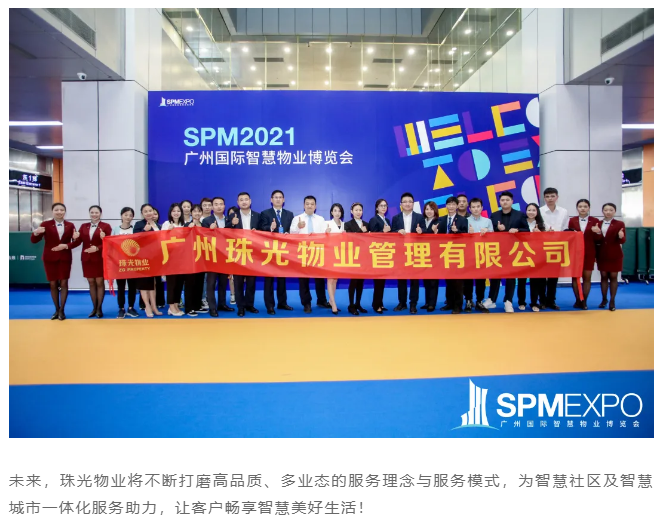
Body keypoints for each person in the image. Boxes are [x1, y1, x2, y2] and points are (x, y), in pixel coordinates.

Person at [30, 202, 77, 320]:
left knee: (64, 283)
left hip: (65, 258)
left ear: (65, 212)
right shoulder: (45, 224)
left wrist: (67, 245)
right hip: (50, 258)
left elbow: (76, 242)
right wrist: (36, 232)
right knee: (53, 284)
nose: (59, 212)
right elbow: (34, 241)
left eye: (62, 210)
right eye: (56, 210)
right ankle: (56, 309)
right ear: (52, 211)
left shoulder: (70, 225)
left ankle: (62, 311)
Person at [486, 191, 529, 313]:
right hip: (497, 250)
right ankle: (491, 299)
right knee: (495, 275)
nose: (504, 202)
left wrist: (517, 230)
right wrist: (497, 229)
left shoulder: (519, 215)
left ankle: (508, 301)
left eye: (507, 200)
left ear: (512, 201)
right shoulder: (494, 215)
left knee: (510, 276)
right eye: (502, 200)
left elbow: (527, 230)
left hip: (513, 250)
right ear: (499, 202)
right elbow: (490, 231)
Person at [69, 205, 113, 318]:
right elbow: (78, 241)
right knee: (91, 282)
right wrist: (73, 239)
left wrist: (98, 247)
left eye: (96, 212)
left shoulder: (106, 226)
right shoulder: (84, 226)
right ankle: (94, 307)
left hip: (99, 258)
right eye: (92, 212)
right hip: (86, 258)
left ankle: (99, 309)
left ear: (100, 214)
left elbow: (109, 242)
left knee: (99, 282)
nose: (94, 214)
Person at [290, 195, 329, 313]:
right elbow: (291, 234)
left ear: (315, 206)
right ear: (304, 205)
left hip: (317, 251)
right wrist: (298, 227)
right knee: (303, 279)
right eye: (307, 204)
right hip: (302, 252)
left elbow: (324, 235)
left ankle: (322, 300)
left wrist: (327, 233)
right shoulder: (297, 218)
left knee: (320, 278)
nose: (309, 206)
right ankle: (306, 303)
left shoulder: (321, 219)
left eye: (312, 204)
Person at [259, 190, 294, 314]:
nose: (278, 199)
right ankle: (270, 305)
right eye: (275, 197)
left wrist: (289, 233)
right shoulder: (265, 213)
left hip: (283, 250)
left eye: (280, 197)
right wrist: (270, 228)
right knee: (269, 279)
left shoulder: (289, 214)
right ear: (271, 199)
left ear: (283, 200)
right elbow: (261, 228)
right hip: (269, 249)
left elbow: (292, 230)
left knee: (282, 278)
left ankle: (282, 303)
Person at [390, 192, 425, 314]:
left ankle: (413, 304)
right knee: (401, 279)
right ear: (401, 204)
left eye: (410, 201)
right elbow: (391, 233)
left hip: (415, 251)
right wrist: (397, 232)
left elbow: (426, 232)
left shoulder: (419, 217)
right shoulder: (396, 218)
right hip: (401, 252)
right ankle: (402, 303)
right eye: (405, 202)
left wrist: (421, 231)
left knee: (414, 279)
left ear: (413, 203)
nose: (407, 204)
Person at [228, 192, 261, 317]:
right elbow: (224, 231)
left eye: (246, 199)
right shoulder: (233, 216)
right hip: (238, 253)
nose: (244, 202)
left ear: (250, 201)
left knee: (251, 282)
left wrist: (257, 232)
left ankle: (249, 305)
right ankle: (240, 307)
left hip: (253, 253)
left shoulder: (257, 216)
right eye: (241, 200)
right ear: (238, 202)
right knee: (238, 282)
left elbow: (264, 231)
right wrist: (232, 224)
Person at [201, 197, 234, 317]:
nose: (219, 206)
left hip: (225, 255)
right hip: (212, 256)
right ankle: (212, 307)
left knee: (223, 282)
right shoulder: (206, 221)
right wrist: (210, 231)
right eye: (216, 204)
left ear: (224, 206)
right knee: (211, 283)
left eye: (221, 204)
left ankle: (222, 304)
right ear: (212, 207)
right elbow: (202, 238)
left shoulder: (229, 220)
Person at [568, 199, 603, 309]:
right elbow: (568, 236)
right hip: (574, 252)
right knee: (575, 277)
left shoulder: (595, 220)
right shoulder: (572, 220)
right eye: (580, 206)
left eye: (585, 206)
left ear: (589, 208)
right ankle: (578, 300)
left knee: (587, 277)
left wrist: (598, 232)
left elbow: (599, 239)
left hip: (589, 252)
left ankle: (584, 301)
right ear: (577, 208)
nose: (582, 208)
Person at [540, 187, 568, 310]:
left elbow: (565, 228)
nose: (550, 199)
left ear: (557, 197)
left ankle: (551, 300)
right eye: (547, 196)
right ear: (544, 198)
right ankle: (542, 300)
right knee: (541, 276)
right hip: (541, 246)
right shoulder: (539, 211)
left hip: (557, 246)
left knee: (553, 275)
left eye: (552, 196)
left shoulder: (564, 211)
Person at [438, 197, 468, 314]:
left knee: (458, 281)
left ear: (457, 206)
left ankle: (458, 305)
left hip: (457, 253)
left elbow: (466, 236)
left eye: (453, 204)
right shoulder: (442, 219)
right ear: (446, 206)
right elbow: (439, 236)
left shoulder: (463, 220)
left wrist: (457, 231)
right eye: (449, 204)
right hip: (445, 253)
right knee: (449, 280)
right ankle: (449, 303)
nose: (451, 206)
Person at [133, 203, 162, 317]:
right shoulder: (139, 224)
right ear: (142, 214)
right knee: (144, 283)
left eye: (150, 210)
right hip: (143, 258)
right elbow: (134, 240)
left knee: (153, 283)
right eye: (145, 211)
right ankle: (147, 306)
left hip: (155, 257)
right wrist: (144, 231)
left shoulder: (157, 225)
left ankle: (154, 306)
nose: (148, 213)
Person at [597, 202, 626, 312]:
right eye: (606, 210)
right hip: (602, 254)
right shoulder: (598, 223)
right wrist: (597, 233)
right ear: (602, 211)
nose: (608, 212)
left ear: (615, 211)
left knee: (613, 277)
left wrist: (621, 237)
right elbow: (596, 240)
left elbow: (623, 240)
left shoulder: (619, 224)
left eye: (611, 210)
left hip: (615, 254)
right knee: (603, 276)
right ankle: (604, 299)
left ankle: (612, 300)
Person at [466, 198, 493, 313]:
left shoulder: (488, 221)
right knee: (468, 279)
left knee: (481, 279)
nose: (476, 209)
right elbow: (459, 238)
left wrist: (488, 232)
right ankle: (468, 300)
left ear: (482, 208)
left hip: (482, 254)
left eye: (478, 207)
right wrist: (468, 234)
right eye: (473, 207)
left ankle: (479, 301)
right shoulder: (465, 221)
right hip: (468, 254)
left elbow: (494, 238)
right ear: (470, 208)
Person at [112, 207, 140, 318]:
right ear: (121, 215)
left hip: (132, 263)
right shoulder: (115, 229)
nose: (128, 217)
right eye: (126, 215)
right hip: (120, 263)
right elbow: (111, 246)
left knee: (132, 287)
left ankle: (131, 307)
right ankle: (121, 308)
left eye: (130, 215)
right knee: (121, 287)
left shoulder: (135, 229)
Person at [519, 203, 547, 312]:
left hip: (536, 256)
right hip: (522, 255)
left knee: (535, 281)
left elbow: (546, 241)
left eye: (533, 210)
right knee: (521, 280)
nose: (531, 212)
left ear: (537, 212)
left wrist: (540, 234)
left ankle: (534, 303)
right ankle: (521, 302)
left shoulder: (541, 224)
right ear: (526, 211)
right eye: (529, 210)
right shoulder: (520, 222)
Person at [344, 202, 369, 315]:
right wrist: (360, 231)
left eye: (360, 210)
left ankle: (358, 303)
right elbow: (349, 239)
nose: (358, 212)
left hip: (363, 256)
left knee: (361, 282)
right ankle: (351, 305)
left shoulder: (366, 224)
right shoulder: (348, 224)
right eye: (356, 210)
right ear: (351, 211)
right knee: (353, 281)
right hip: (353, 256)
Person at [162, 203, 186, 316]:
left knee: (179, 283)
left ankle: (176, 305)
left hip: (182, 259)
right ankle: (171, 307)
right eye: (174, 211)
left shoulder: (183, 225)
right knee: (171, 284)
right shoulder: (166, 224)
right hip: (170, 259)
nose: (176, 213)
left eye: (178, 211)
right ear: (170, 213)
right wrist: (168, 231)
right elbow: (161, 239)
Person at [183, 204, 208, 316]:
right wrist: (189, 229)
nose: (197, 213)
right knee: (190, 284)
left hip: (201, 259)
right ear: (191, 213)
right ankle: (189, 308)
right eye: (195, 211)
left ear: (201, 213)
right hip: (190, 260)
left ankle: (197, 306)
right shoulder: (187, 225)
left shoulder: (204, 225)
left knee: (199, 283)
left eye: (199, 211)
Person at [368, 198, 391, 314]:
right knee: (378, 281)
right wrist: (383, 232)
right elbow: (372, 235)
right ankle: (376, 304)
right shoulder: (374, 219)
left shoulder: (387, 220)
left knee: (382, 281)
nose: (383, 207)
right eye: (381, 205)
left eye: (385, 205)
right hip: (377, 253)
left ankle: (380, 302)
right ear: (377, 208)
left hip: (385, 253)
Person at [324, 203, 346, 314]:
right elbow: (320, 238)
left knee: (335, 279)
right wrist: (325, 233)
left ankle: (330, 300)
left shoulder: (344, 225)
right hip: (330, 254)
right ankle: (333, 303)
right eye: (335, 210)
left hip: (340, 254)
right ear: (331, 212)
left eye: (339, 211)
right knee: (330, 278)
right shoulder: (327, 224)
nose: (337, 213)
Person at [421, 201, 440, 312]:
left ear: (435, 210)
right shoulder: (421, 221)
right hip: (423, 254)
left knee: (433, 280)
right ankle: (427, 302)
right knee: (426, 280)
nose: (429, 211)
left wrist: (435, 232)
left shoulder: (439, 221)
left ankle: (432, 304)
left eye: (431, 209)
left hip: (435, 255)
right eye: (427, 209)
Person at [199, 197, 213, 309]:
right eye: (204, 205)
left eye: (209, 205)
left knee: (211, 278)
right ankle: (202, 298)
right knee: (203, 278)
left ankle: (209, 297)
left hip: (214, 253)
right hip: (201, 253)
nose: (207, 207)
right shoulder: (198, 220)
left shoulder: (215, 219)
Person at [227, 206, 239, 304]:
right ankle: (232, 295)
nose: (232, 215)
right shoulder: (227, 223)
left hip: (242, 250)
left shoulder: (241, 222)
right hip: (229, 250)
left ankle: (239, 294)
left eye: (234, 213)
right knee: (231, 275)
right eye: (230, 213)